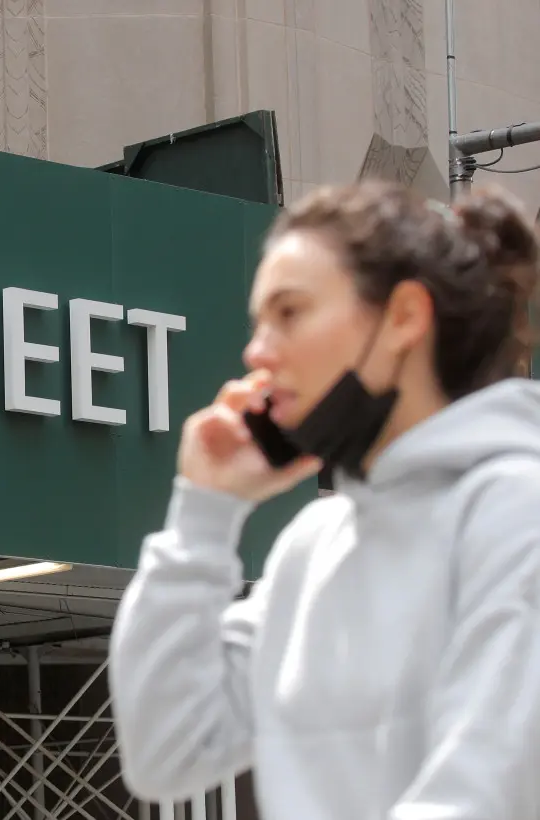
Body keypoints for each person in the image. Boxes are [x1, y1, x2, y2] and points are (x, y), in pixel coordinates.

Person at [109, 179, 540, 820]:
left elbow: (480, 799)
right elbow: (167, 751)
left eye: (289, 312)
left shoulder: (514, 513)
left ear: (403, 319)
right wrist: (205, 511)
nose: (256, 350)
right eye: (259, 321)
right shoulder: (313, 547)